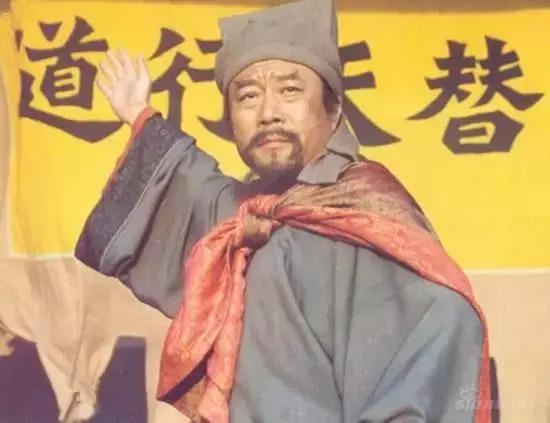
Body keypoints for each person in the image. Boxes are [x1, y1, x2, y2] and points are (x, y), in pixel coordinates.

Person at [75, 0, 490, 422]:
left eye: (290, 91)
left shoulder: (369, 214)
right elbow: (194, 186)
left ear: (333, 109)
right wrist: (138, 114)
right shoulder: (249, 217)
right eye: (248, 96)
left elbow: (443, 325)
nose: (268, 114)